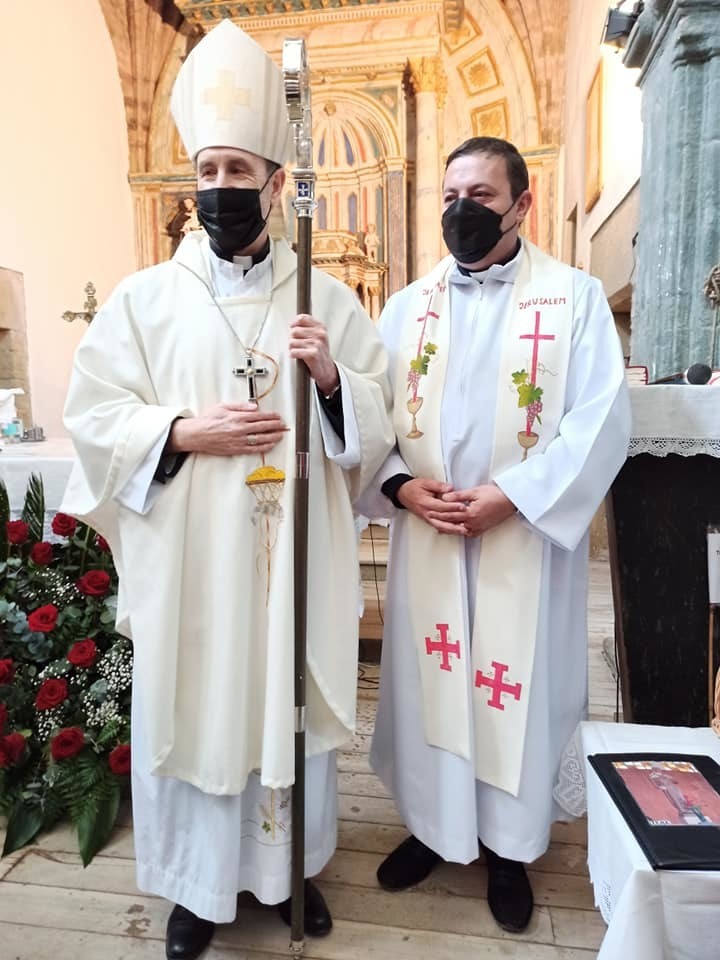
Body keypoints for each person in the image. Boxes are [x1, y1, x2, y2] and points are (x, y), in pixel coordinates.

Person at [61, 20, 393, 960]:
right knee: (198, 705)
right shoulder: (142, 300)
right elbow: (95, 415)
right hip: (194, 563)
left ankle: (294, 874)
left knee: (284, 697)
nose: (220, 190)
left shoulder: (324, 298)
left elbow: (378, 424)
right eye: (206, 170)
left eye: (239, 172)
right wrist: (178, 431)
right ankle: (197, 893)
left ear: (276, 183)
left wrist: (331, 379)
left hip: (293, 558)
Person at [358, 136, 631, 933]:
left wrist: (512, 497)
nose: (460, 211)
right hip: (432, 537)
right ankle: (434, 829)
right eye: (450, 195)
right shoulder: (408, 306)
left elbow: (599, 422)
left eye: (479, 195)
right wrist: (403, 489)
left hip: (526, 540)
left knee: (517, 687)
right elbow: (372, 420)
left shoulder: (573, 298)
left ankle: (509, 846)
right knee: (431, 682)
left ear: (522, 203)